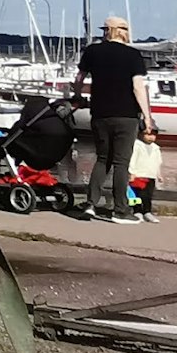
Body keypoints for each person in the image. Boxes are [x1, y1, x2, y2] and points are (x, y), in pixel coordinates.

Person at [76, 15, 151, 220]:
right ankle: (121, 210)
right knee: (121, 163)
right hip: (126, 115)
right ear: (124, 32)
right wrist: (148, 117)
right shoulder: (133, 55)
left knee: (102, 159)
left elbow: (79, 78)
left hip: (100, 113)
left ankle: (90, 204)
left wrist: (77, 96)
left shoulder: (92, 51)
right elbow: (138, 87)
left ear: (107, 31)